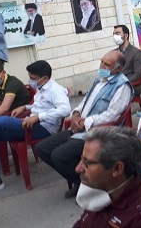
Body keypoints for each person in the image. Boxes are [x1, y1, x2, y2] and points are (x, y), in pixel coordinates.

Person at [35, 50, 133, 198]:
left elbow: (112, 115)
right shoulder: (99, 80)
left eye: (107, 65)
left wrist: (85, 122)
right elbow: (85, 102)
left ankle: (88, 186)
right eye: (101, 62)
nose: (102, 66)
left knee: (59, 155)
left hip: (98, 133)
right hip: (80, 127)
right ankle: (81, 182)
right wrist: (75, 114)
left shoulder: (122, 86)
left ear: (118, 68)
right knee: (42, 148)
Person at [0, 60, 71, 199]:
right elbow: (40, 106)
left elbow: (65, 109)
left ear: (45, 78)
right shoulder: (42, 88)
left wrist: (38, 117)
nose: (30, 81)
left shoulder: (55, 90)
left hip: (43, 128)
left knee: (3, 121)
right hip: (30, 123)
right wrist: (26, 107)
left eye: (33, 78)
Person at [113, 24, 141, 96]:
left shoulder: (136, 53)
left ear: (126, 36)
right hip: (115, 87)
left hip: (130, 87)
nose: (115, 36)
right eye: (114, 34)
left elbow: (138, 74)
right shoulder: (114, 53)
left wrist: (122, 82)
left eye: (117, 33)